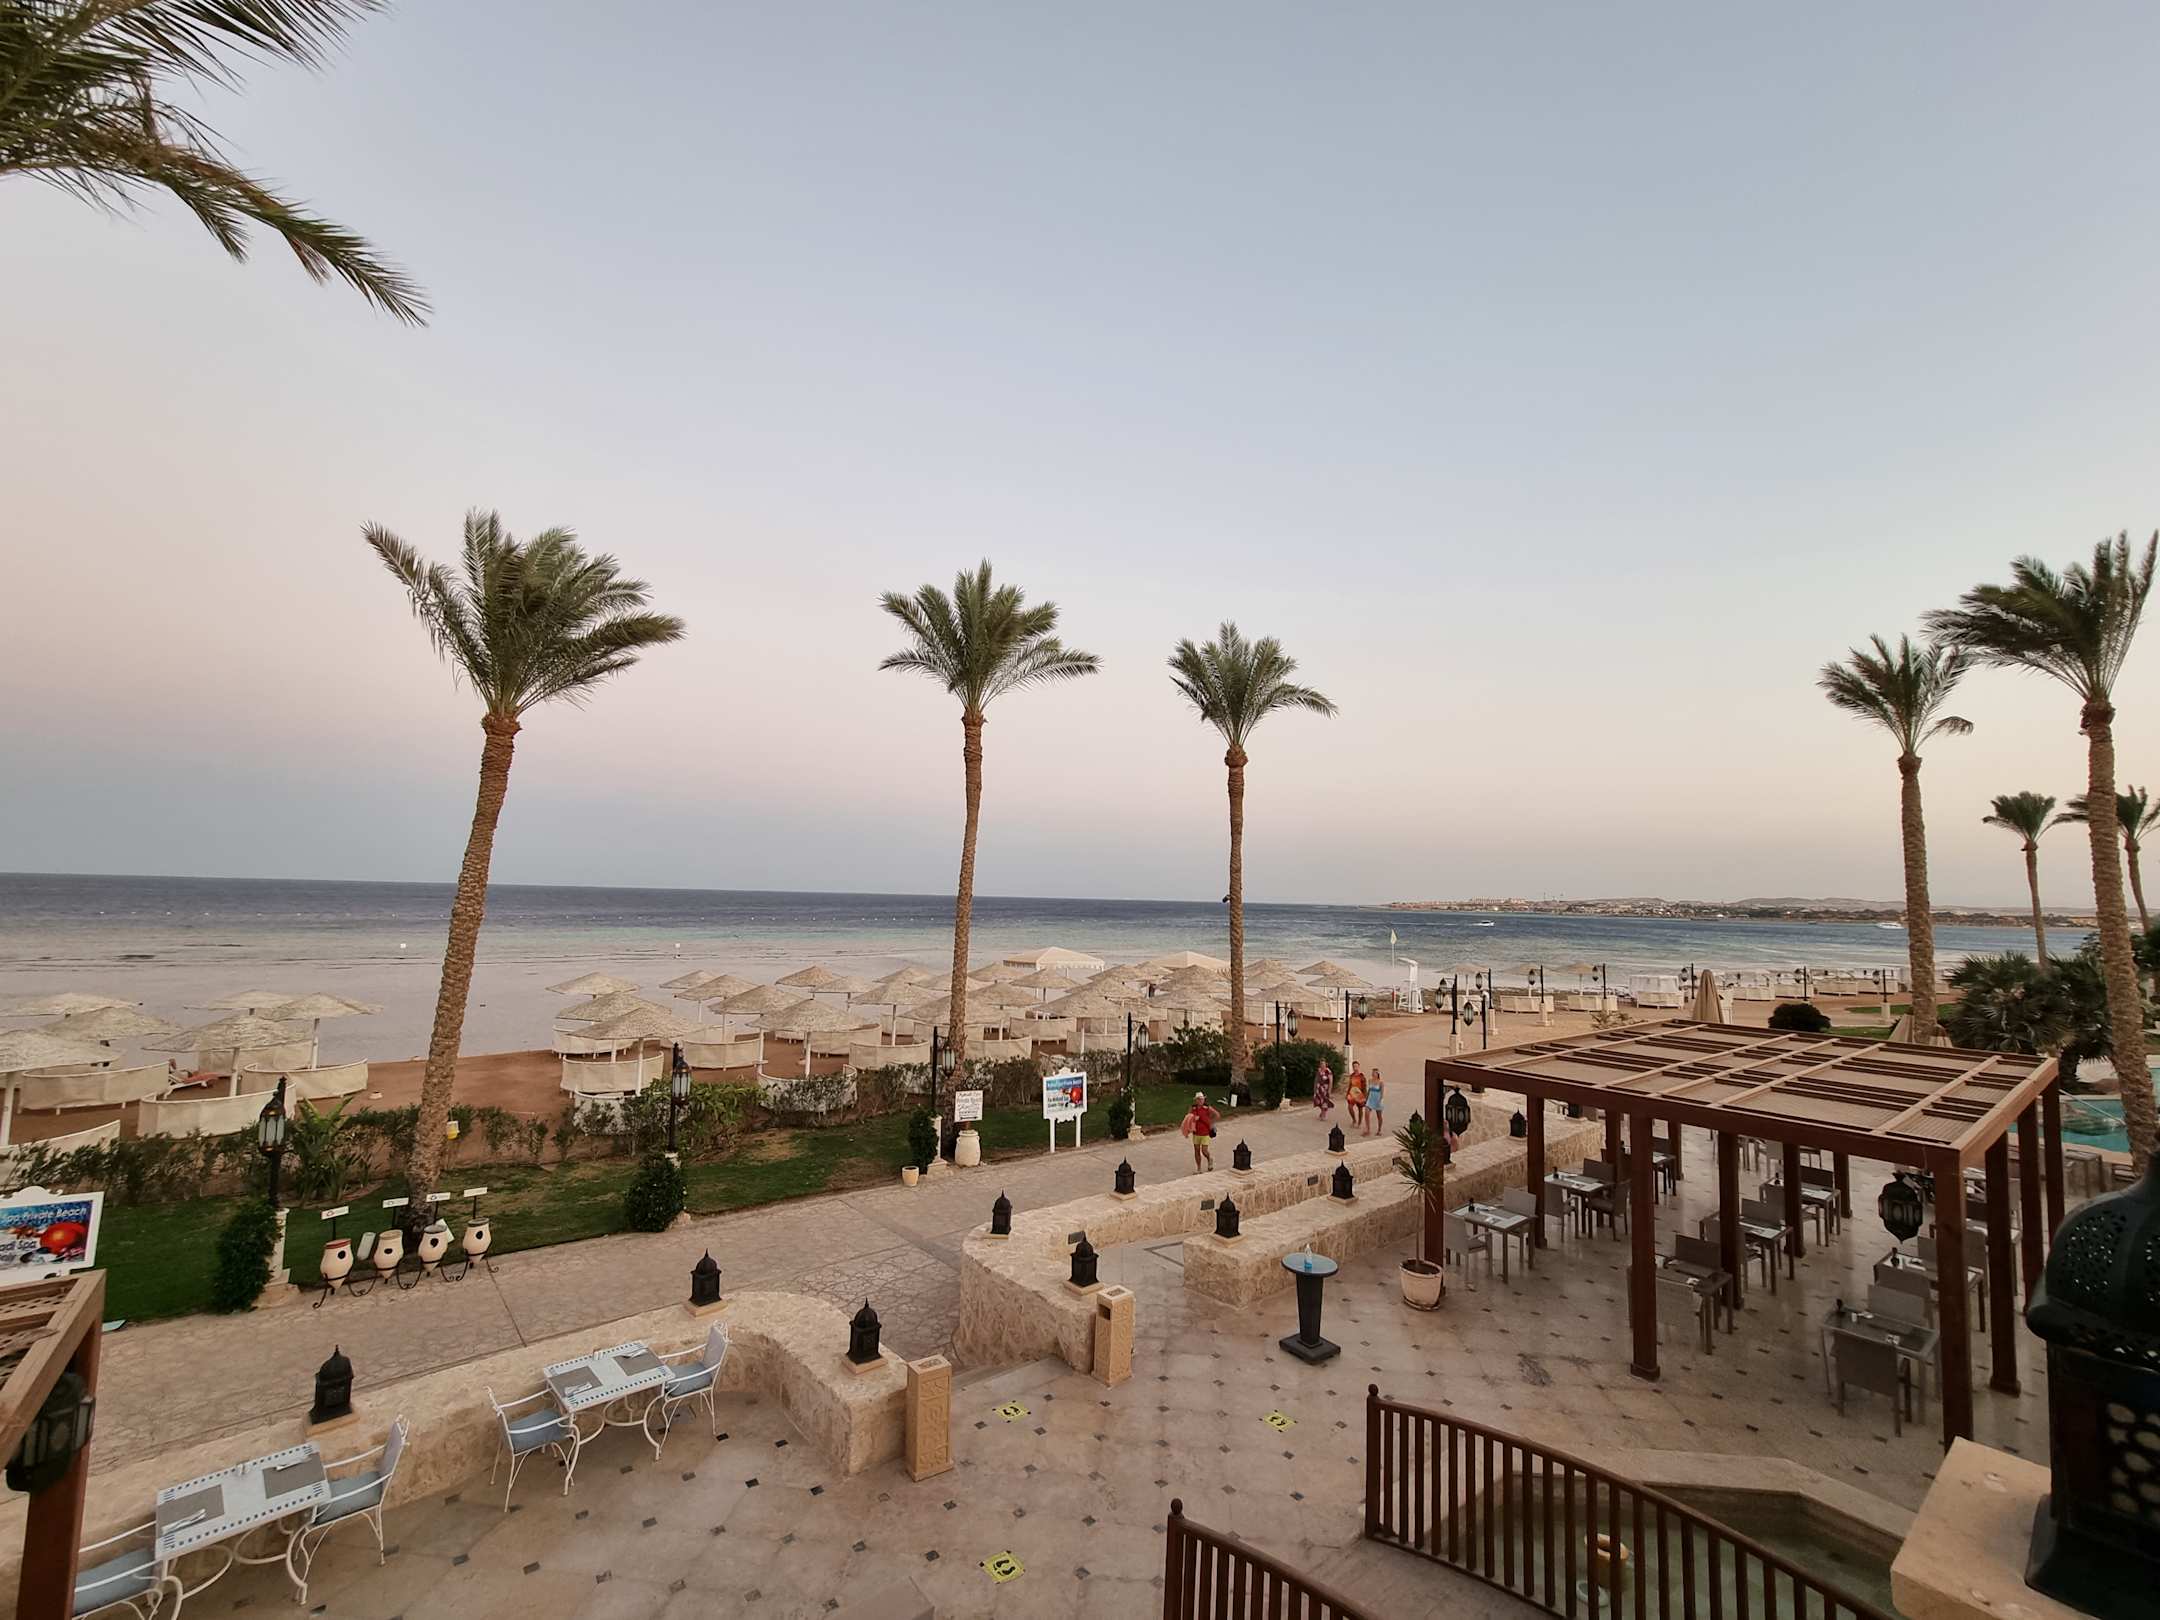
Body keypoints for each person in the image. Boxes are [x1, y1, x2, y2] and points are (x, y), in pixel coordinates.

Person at [1180, 1090, 1218, 1173]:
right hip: (1196, 1133)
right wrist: (1193, 1120)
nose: (1200, 1101)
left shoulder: (1207, 1108)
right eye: (1198, 1099)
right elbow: (1188, 1118)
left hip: (1205, 1133)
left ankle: (1209, 1159)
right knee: (1196, 1151)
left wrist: (1211, 1123)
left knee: (1204, 1151)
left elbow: (1217, 1115)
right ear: (1196, 1100)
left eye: (1201, 1099)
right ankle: (1199, 1168)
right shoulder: (1193, 1108)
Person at [1345, 1063, 1368, 1129]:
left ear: (1358, 1067)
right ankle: (1354, 1120)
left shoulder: (1362, 1076)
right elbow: (1350, 1085)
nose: (1355, 1068)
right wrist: (1347, 1093)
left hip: (1359, 1093)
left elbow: (1364, 1087)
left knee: (1360, 1109)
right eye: (1354, 1066)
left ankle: (1359, 1123)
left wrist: (1365, 1096)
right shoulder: (1352, 1076)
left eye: (1356, 1066)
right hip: (1352, 1093)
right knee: (1350, 1107)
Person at [1364, 1068, 1385, 1138]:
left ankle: (1379, 1130)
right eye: (1372, 1072)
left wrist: (1381, 1101)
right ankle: (1368, 1130)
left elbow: (1382, 1093)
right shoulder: (1370, 1080)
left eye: (1375, 1073)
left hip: (1377, 1100)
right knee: (1366, 1113)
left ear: (1378, 1074)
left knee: (1379, 1116)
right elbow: (1369, 1090)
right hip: (1370, 1099)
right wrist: (1366, 1099)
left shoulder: (1381, 1082)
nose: (1373, 1074)